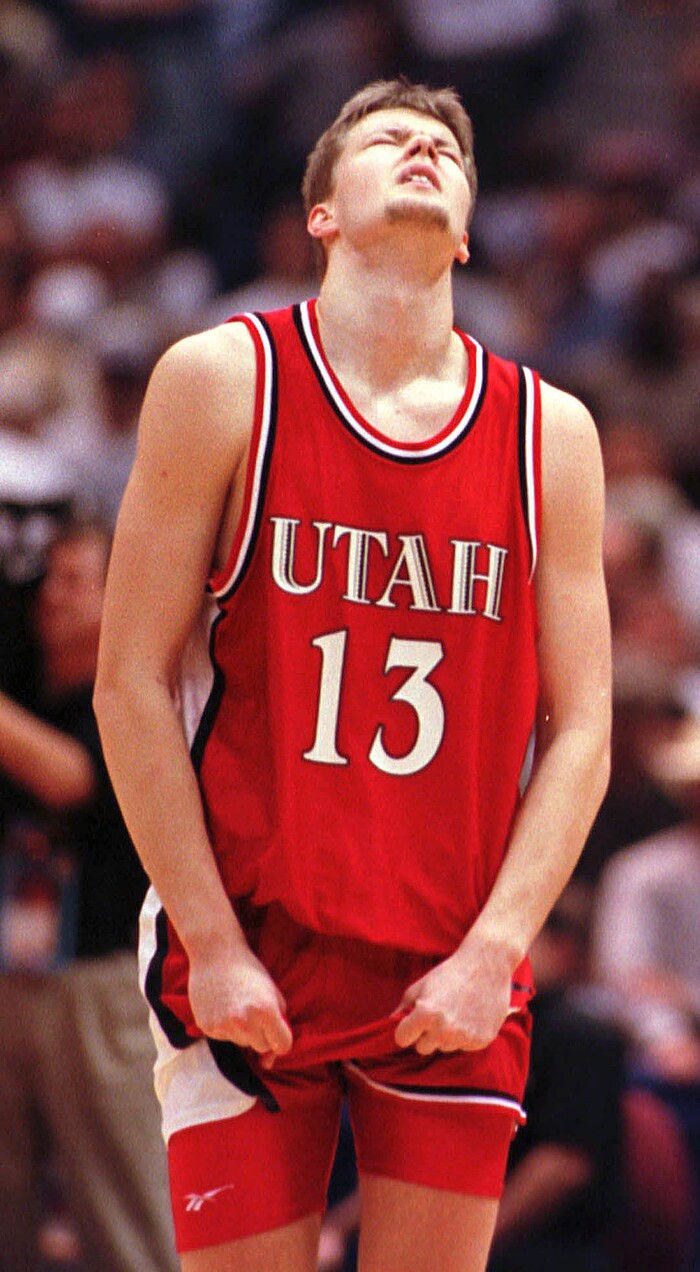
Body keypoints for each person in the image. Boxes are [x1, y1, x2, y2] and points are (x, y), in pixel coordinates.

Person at [94, 78, 611, 1272]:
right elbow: (128, 682)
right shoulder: (222, 380)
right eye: (389, 140)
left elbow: (582, 725)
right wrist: (213, 943)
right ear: (321, 212)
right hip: (255, 929)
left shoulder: (550, 433)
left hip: (452, 942)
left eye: (446, 149)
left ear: (471, 231)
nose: (424, 151)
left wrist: (496, 952)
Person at [0, 516, 178, 1272]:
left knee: (122, 1207)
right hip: (14, 970)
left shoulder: (135, 692)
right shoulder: (27, 684)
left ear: (121, 596)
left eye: (78, 581)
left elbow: (72, 780)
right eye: (51, 579)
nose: (54, 597)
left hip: (101, 982)